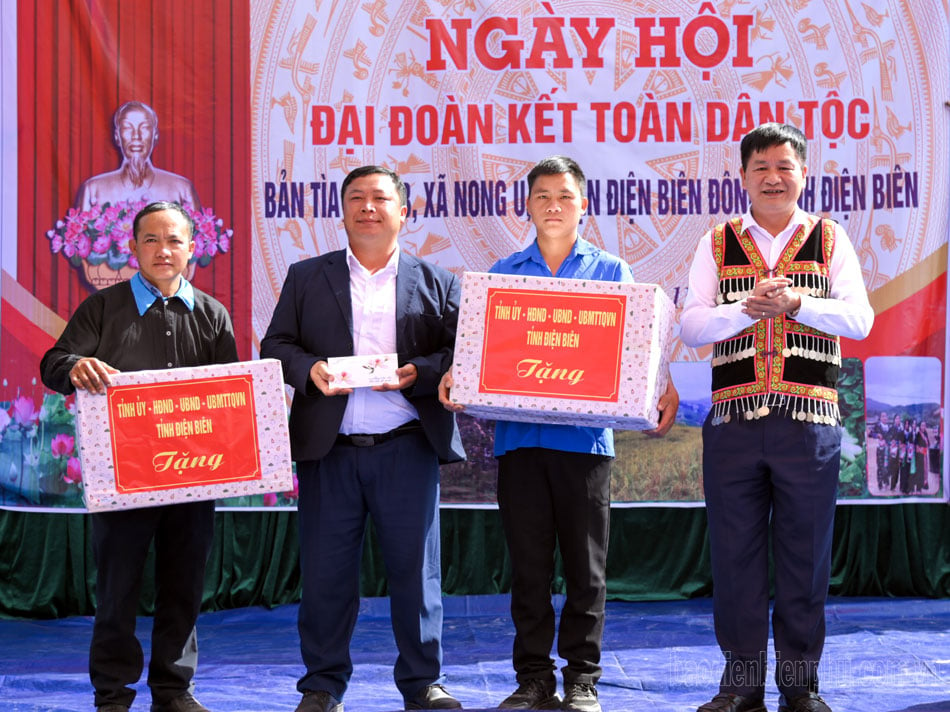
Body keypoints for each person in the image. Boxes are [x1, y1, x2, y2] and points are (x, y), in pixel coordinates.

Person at [439, 156, 679, 712]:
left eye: (565, 196)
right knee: (528, 568)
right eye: (542, 195)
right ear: (527, 204)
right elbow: (480, 352)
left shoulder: (612, 272)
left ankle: (582, 679)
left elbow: (633, 354)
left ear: (584, 205)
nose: (553, 205)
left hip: (586, 446)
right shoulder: (502, 272)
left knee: (585, 569)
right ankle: (532, 678)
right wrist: (459, 370)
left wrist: (658, 382)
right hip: (520, 442)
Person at [680, 123, 874, 712]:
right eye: (760, 166)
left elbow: (859, 320)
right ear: (742, 177)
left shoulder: (830, 237)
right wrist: (744, 310)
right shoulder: (716, 241)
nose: (772, 176)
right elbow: (690, 327)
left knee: (804, 556)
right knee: (734, 559)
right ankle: (740, 686)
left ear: (803, 174)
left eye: (783, 166)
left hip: (809, 424)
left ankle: (799, 686)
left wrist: (798, 304)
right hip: (734, 424)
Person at [260, 165, 465, 712]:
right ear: (343, 210)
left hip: (406, 446)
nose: (368, 207)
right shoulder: (307, 277)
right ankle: (322, 686)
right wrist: (311, 370)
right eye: (356, 198)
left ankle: (423, 683)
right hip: (330, 452)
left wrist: (419, 372)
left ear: (405, 211)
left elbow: (461, 354)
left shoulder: (438, 281)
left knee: (415, 574)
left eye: (380, 198)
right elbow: (275, 344)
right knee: (326, 575)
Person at [40, 201, 238, 712]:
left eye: (174, 240)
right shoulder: (103, 308)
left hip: (193, 477)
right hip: (124, 479)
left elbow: (230, 394)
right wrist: (77, 364)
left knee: (184, 585)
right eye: (151, 240)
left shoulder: (213, 315)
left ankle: (173, 690)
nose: (163, 250)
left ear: (193, 249)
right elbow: (53, 363)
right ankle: (113, 694)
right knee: (118, 589)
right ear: (133, 249)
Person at [76, 101, 200, 210]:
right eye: (127, 128)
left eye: (144, 128)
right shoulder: (93, 190)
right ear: (117, 137)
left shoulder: (182, 190)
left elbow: (194, 235)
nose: (136, 136)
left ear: (155, 136)